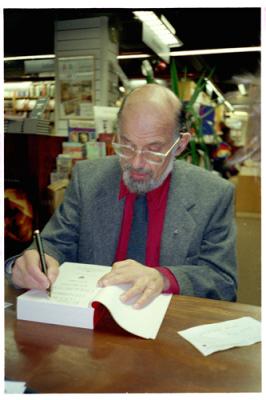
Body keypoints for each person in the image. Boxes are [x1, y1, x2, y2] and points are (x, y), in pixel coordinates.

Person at [7, 84, 237, 308]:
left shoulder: (213, 194)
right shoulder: (87, 179)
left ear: (180, 145)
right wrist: (33, 261)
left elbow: (223, 282)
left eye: (153, 150)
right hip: (91, 324)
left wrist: (164, 278)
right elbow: (55, 243)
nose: (136, 163)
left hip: (170, 328)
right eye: (126, 145)